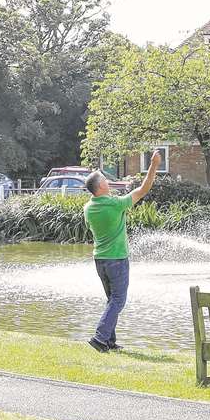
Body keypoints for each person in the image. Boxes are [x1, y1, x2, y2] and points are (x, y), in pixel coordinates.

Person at [82, 151, 161, 353]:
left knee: (112, 300)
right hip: (117, 259)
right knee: (118, 300)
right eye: (105, 180)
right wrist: (153, 165)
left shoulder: (88, 208)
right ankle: (100, 337)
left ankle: (109, 341)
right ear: (101, 187)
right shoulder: (116, 205)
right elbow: (144, 189)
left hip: (100, 260)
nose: (108, 181)